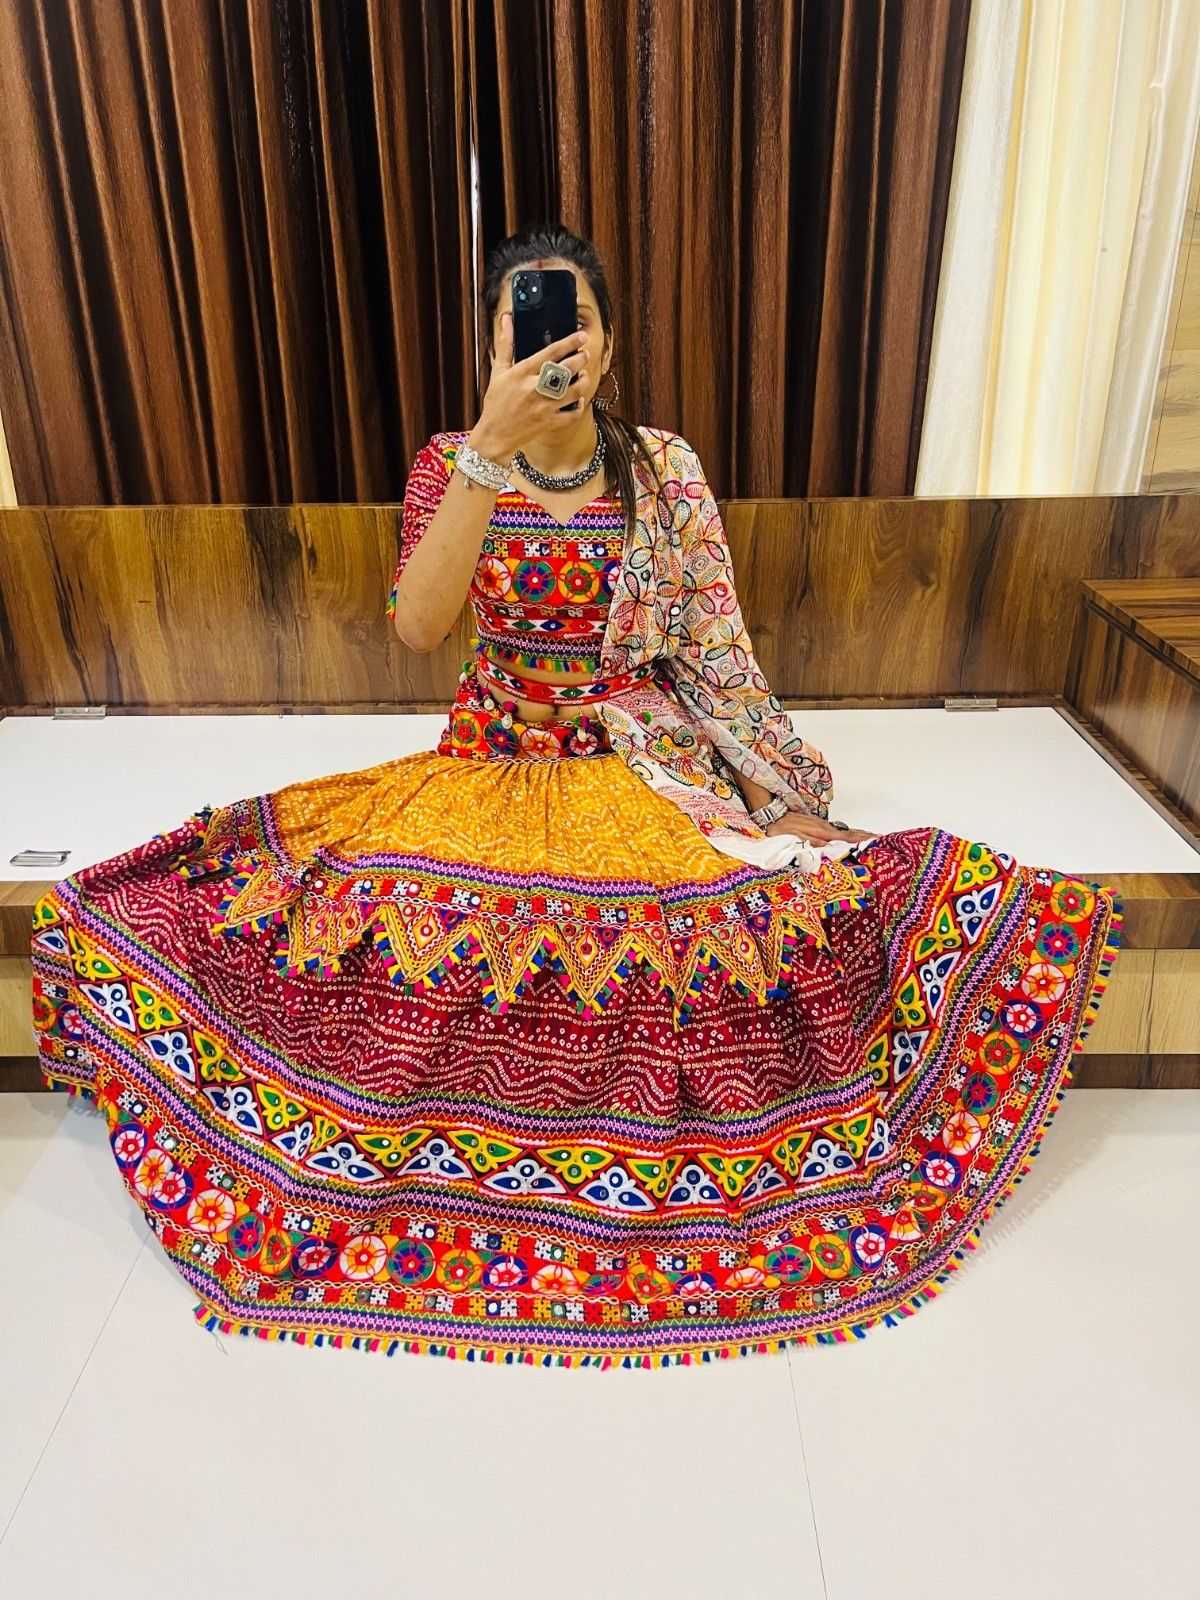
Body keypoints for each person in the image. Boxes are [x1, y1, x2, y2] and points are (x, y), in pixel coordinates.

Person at [31, 224, 1123, 1370]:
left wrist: (775, 793)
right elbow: (419, 627)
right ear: (494, 345)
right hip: (486, 758)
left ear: (608, 341)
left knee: (719, 946)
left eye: (575, 321)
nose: (557, 345)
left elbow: (714, 648)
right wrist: (488, 450)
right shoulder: (451, 460)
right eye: (527, 324)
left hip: (634, 760)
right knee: (368, 932)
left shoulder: (663, 469)